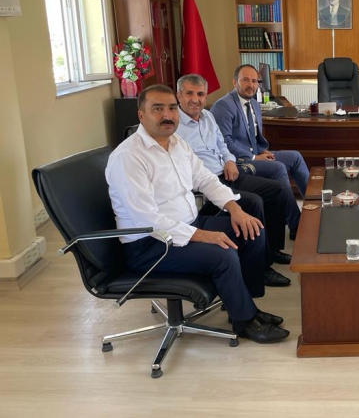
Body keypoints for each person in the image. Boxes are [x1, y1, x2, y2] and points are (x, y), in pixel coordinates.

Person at [106, 84, 289, 343]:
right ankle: (245, 321)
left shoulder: (177, 143)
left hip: (188, 224)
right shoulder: (128, 157)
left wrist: (234, 209)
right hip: (152, 243)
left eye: (171, 108)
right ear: (141, 115)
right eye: (157, 109)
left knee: (251, 229)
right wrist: (204, 235)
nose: (167, 115)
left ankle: (244, 307)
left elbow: (205, 179)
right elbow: (146, 218)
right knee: (223, 253)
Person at [175, 74, 295, 287]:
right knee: (254, 202)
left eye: (200, 94)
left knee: (277, 190)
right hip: (207, 185)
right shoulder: (174, 126)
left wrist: (229, 160)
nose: (195, 99)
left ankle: (272, 249)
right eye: (189, 93)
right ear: (178, 96)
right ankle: (261, 268)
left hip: (227, 173)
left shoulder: (208, 116)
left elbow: (222, 144)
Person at [211, 64, 310, 207]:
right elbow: (225, 143)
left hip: (255, 154)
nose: (251, 85)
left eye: (254, 81)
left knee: (295, 157)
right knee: (278, 167)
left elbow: (253, 137)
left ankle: (313, 204)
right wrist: (254, 157)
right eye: (245, 80)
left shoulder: (254, 104)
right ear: (234, 82)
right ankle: (293, 217)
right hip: (238, 161)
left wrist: (262, 151)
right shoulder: (223, 106)